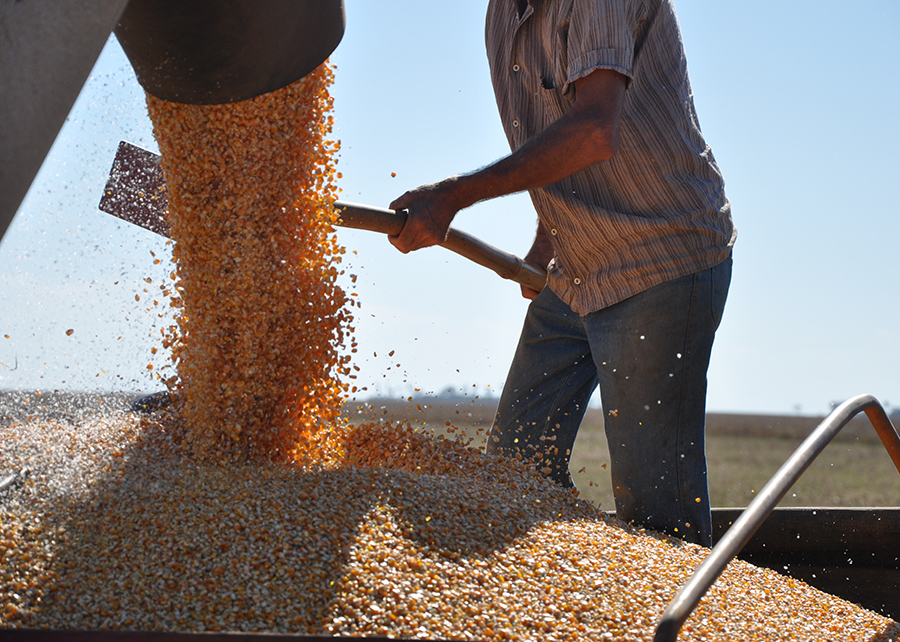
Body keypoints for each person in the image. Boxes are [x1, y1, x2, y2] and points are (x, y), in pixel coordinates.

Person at [388, 0, 735, 547]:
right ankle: (560, 600)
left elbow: (594, 130)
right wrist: (548, 237)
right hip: (576, 270)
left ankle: (674, 623)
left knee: (655, 512)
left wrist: (453, 196)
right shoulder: (503, 15)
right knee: (511, 475)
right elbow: (551, 134)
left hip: (660, 256)